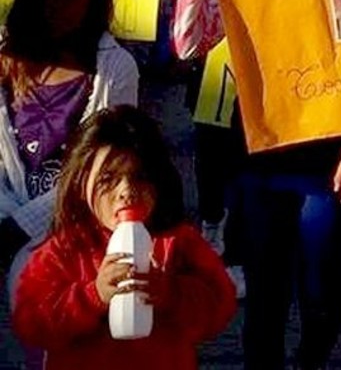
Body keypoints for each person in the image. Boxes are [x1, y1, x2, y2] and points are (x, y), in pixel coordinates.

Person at [173, 0, 341, 370]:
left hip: (327, 163)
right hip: (258, 161)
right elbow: (189, 44)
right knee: (266, 293)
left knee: (323, 294)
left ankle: (310, 361)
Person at [0, 0, 139, 370]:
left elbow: (103, 169)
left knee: (44, 321)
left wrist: (21, 227)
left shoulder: (114, 69)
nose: (54, 4)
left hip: (72, 226)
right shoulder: (7, 57)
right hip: (4, 211)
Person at [11, 105, 235, 370]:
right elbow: (31, 322)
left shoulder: (178, 243)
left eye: (140, 177)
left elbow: (219, 307)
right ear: (80, 184)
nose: (127, 191)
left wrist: (170, 292)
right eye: (108, 179)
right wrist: (92, 295)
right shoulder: (65, 249)